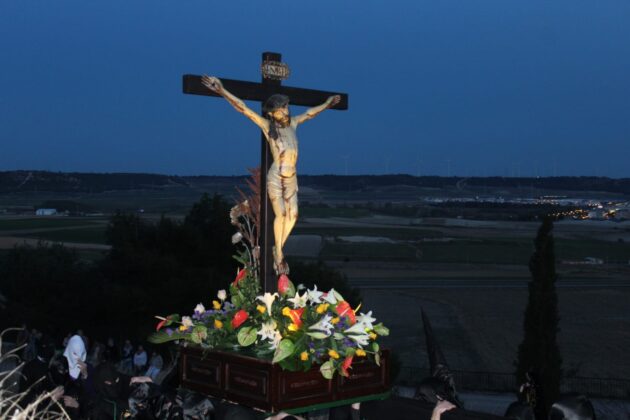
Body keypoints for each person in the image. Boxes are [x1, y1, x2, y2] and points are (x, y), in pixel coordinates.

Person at [202, 75, 340, 274]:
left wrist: (327, 104)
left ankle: (278, 248)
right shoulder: (268, 127)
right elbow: (244, 109)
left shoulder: (293, 124)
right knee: (281, 214)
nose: (286, 110)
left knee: (293, 215)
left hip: (291, 177)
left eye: (286, 107)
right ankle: (279, 254)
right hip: (276, 176)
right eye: (281, 108)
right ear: (272, 113)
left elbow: (310, 113)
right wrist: (222, 90)